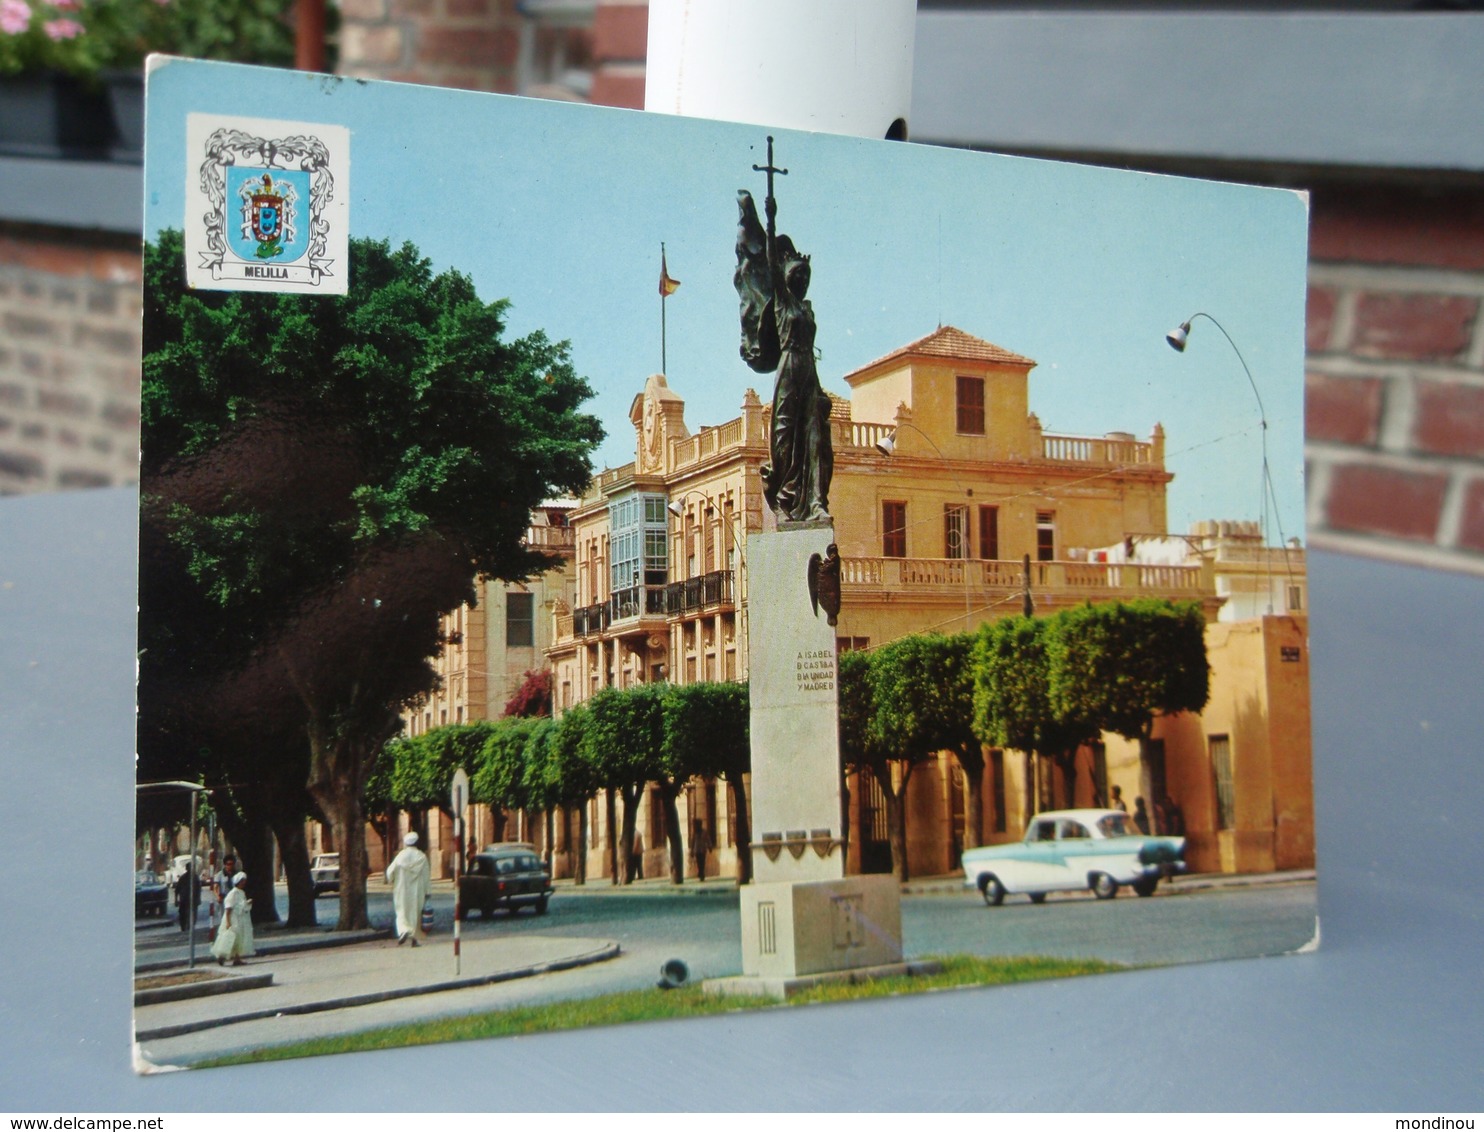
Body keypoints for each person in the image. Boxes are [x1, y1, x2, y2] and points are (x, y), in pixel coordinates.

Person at [386, 832, 431, 947]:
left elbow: (390, 872)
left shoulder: (400, 857)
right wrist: (428, 892)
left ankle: (403, 931)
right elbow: (426, 876)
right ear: (416, 842)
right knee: (415, 914)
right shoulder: (422, 857)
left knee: (402, 912)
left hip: (401, 890)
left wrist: (391, 879)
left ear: (406, 843)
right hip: (417, 891)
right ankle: (414, 939)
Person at [210, 871, 254, 966]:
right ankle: (221, 956)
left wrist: (247, 903)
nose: (244, 883)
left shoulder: (241, 893)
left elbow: (241, 906)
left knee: (239, 938)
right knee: (230, 938)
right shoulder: (233, 893)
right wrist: (228, 921)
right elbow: (228, 908)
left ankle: (237, 958)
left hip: (240, 919)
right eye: (242, 881)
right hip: (233, 919)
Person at [174, 861, 200, 933]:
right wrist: (176, 900)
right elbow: (177, 890)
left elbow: (198, 889)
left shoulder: (195, 878)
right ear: (187, 868)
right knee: (182, 914)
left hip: (193, 900)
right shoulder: (183, 878)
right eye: (189, 868)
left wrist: (198, 899)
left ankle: (190, 927)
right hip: (184, 899)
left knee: (193, 914)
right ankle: (183, 927)